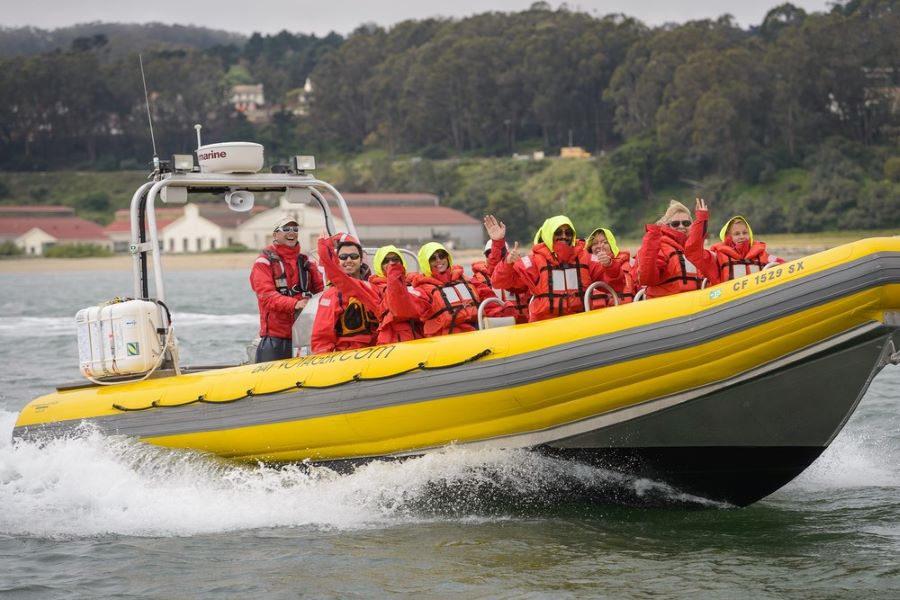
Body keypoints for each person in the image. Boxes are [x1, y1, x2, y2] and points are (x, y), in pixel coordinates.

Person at [492, 215, 593, 321]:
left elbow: (609, 276)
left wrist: (609, 264)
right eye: (558, 232)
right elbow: (498, 282)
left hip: (580, 322)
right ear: (549, 235)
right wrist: (507, 263)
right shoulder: (533, 262)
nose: (564, 236)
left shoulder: (585, 257)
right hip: (546, 325)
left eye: (568, 233)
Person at [250, 217, 324, 362]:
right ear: (275, 235)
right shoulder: (264, 262)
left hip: (304, 336)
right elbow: (266, 296)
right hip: (276, 337)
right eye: (286, 229)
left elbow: (322, 291)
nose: (292, 232)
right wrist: (295, 304)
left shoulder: (306, 262)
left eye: (295, 229)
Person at [412, 242, 508, 337]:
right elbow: (409, 307)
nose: (438, 260)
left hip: (475, 333)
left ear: (447, 258)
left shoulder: (468, 281)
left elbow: (490, 303)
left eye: (442, 255)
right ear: (425, 263)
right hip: (446, 341)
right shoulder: (422, 290)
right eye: (433, 258)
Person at [635, 198, 719, 299]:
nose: (681, 226)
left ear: (692, 225)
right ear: (667, 225)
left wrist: (702, 219)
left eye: (686, 223)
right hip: (668, 305)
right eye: (675, 224)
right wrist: (653, 235)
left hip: (696, 303)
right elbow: (647, 278)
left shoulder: (697, 252)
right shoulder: (662, 247)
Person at [311, 232, 380, 354]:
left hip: (377, 351)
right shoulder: (331, 294)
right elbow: (322, 334)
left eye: (354, 256)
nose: (349, 260)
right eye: (343, 257)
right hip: (348, 354)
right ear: (337, 260)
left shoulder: (373, 287)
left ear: (361, 259)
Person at [472, 215, 529, 323]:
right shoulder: (478, 280)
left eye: (494, 251)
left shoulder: (519, 273)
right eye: (488, 253)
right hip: (497, 324)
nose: (492, 255)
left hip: (523, 321)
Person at [370, 245, 426, 344]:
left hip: (419, 336)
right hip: (393, 342)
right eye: (386, 261)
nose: (391, 263)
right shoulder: (374, 289)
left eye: (395, 259)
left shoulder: (414, 283)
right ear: (380, 265)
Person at [708, 215, 784, 281]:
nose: (742, 236)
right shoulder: (718, 256)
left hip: (757, 294)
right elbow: (697, 252)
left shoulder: (762, 254)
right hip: (730, 295)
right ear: (729, 237)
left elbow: (783, 264)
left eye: (745, 233)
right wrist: (701, 219)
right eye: (737, 234)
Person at [585, 226, 634, 308]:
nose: (600, 246)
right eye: (595, 243)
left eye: (605, 242)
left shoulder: (629, 264)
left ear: (612, 245)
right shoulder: (584, 268)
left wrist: (609, 264)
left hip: (621, 312)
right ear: (590, 248)